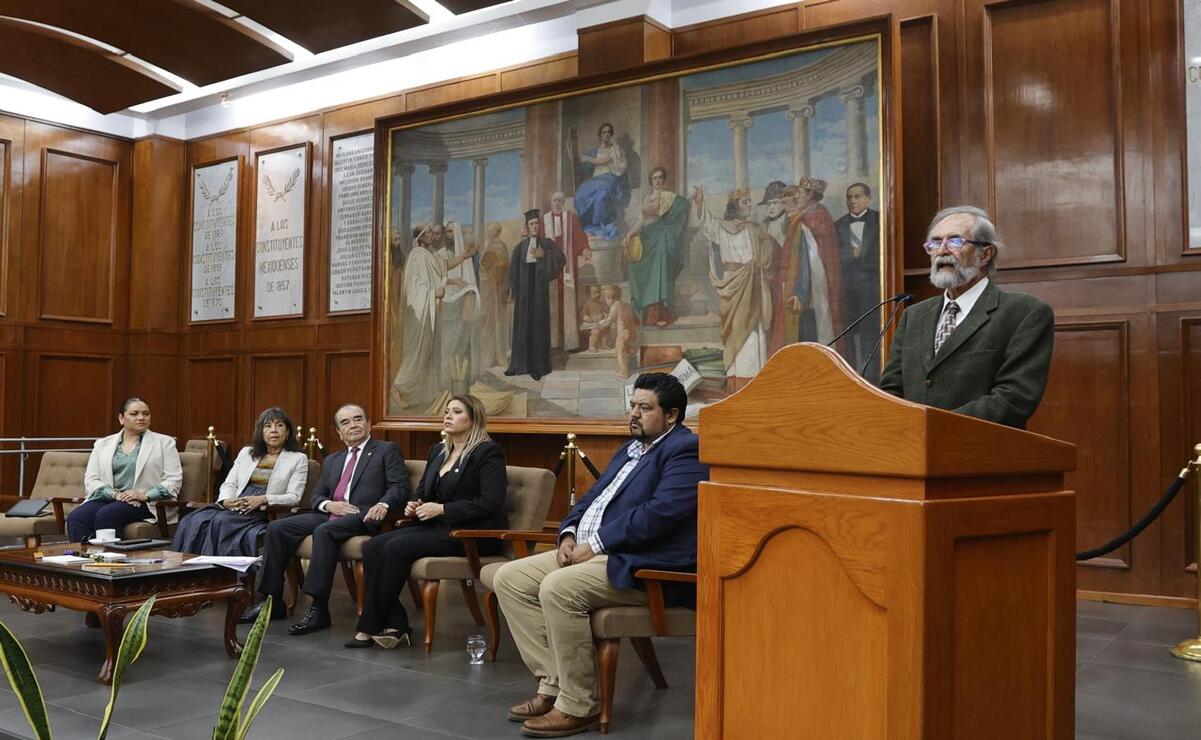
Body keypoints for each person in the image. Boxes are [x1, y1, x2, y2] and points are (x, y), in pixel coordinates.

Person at [493, 373, 708, 737]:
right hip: (586, 549)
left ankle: (580, 705)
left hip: (640, 563)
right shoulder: (631, 448)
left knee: (558, 588)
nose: (634, 414)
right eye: (633, 406)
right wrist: (568, 533)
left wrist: (598, 543)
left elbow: (661, 514)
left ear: (671, 416)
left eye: (645, 408)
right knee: (508, 578)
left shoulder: (686, 450)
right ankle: (554, 684)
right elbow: (593, 498)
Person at [346, 394, 507, 649]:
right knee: (373, 546)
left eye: (456, 412)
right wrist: (415, 504)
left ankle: (368, 627)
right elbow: (423, 492)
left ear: (473, 418)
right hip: (436, 527)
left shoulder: (487, 453)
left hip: (470, 534)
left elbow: (491, 503)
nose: (447, 416)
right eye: (446, 411)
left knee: (395, 548)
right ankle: (397, 624)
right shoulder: (438, 451)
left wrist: (442, 509)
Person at [880, 205, 1054, 429]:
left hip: (979, 453)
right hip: (912, 454)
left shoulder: (1024, 313)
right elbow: (891, 388)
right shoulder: (914, 315)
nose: (942, 251)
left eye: (955, 241)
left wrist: (933, 427)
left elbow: (1014, 398)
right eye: (934, 243)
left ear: (986, 254)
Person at [240, 404, 410, 633]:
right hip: (331, 514)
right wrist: (329, 504)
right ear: (339, 432)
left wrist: (383, 504)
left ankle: (318, 609)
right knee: (278, 528)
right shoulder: (333, 459)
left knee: (323, 532)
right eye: (346, 422)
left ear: (369, 424)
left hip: (364, 515)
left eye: (358, 419)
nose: (354, 425)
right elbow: (317, 496)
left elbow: (399, 486)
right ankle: (271, 601)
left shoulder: (386, 450)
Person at [171, 407, 307, 557]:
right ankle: (188, 573)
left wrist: (263, 499)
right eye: (268, 426)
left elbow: (294, 497)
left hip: (265, 510)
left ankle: (218, 573)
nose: (273, 430)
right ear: (260, 432)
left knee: (221, 522)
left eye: (279, 425)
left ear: (287, 432)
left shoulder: (298, 459)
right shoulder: (246, 453)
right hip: (237, 502)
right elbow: (230, 483)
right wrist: (226, 500)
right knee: (192, 521)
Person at [692, 186, 776, 394]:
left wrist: (760, 266)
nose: (749, 205)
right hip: (732, 284)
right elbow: (707, 223)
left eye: (749, 201)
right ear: (735, 206)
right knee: (733, 331)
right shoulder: (722, 228)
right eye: (745, 202)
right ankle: (737, 379)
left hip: (753, 284)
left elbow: (768, 252)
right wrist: (701, 203)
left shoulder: (756, 229)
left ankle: (753, 381)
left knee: (753, 332)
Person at [68, 398, 182, 543]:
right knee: (77, 517)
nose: (141, 418)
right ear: (121, 418)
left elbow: (174, 480)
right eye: (134, 414)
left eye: (146, 414)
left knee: (108, 514)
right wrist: (115, 495)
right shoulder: (103, 444)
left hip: (147, 503)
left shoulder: (165, 443)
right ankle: (84, 559)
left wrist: (144, 495)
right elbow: (91, 479)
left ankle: (111, 561)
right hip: (111, 498)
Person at [506, 209, 567, 381]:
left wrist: (544, 255)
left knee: (538, 329)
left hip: (539, 294)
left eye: (536, 224)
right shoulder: (520, 247)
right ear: (527, 227)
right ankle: (518, 366)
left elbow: (561, 259)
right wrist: (512, 290)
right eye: (531, 224)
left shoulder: (546, 243)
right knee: (522, 328)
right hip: (524, 295)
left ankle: (537, 368)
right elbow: (513, 271)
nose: (534, 227)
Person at [625, 166, 690, 327]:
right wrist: (629, 234)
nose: (658, 180)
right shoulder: (647, 199)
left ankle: (661, 314)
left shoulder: (669, 197)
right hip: (647, 239)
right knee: (635, 266)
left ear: (664, 179)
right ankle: (644, 312)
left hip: (661, 239)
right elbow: (641, 220)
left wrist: (693, 198)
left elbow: (683, 205)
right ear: (650, 181)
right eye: (655, 178)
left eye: (661, 177)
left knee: (659, 272)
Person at [835, 182, 882, 377]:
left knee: (870, 336)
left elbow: (884, 254)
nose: (853, 201)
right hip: (846, 291)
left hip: (872, 290)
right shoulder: (838, 225)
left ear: (868, 198)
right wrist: (851, 255)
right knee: (848, 336)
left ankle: (872, 379)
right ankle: (851, 377)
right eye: (849, 197)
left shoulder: (879, 220)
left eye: (857, 196)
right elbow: (834, 256)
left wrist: (860, 255)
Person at [797, 177, 843, 339]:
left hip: (818, 269)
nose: (798, 196)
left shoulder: (819, 214)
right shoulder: (803, 214)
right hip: (806, 269)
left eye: (801, 193)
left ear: (809, 195)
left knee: (820, 309)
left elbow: (821, 244)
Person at [543, 192, 588, 352]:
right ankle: (553, 341)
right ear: (551, 202)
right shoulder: (544, 221)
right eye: (555, 200)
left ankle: (570, 341)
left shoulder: (571, 218)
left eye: (560, 201)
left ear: (563, 203)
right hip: (551, 269)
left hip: (567, 267)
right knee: (552, 302)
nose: (557, 203)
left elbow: (579, 236)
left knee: (568, 302)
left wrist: (584, 249)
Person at [572, 122, 629, 240]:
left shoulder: (614, 148)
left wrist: (587, 158)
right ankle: (588, 224)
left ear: (611, 134)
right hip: (596, 179)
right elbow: (581, 165)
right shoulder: (594, 150)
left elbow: (603, 161)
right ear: (600, 135)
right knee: (581, 191)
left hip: (610, 178)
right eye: (604, 132)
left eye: (609, 132)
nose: (606, 134)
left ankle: (598, 225)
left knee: (601, 196)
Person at [479, 222, 512, 368]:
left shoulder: (496, 246)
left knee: (495, 323)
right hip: (492, 290)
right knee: (491, 324)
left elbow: (500, 267)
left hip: (496, 290)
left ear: (495, 232)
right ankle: (492, 355)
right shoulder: (495, 246)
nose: (488, 232)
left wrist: (491, 272)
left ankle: (495, 356)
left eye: (490, 231)